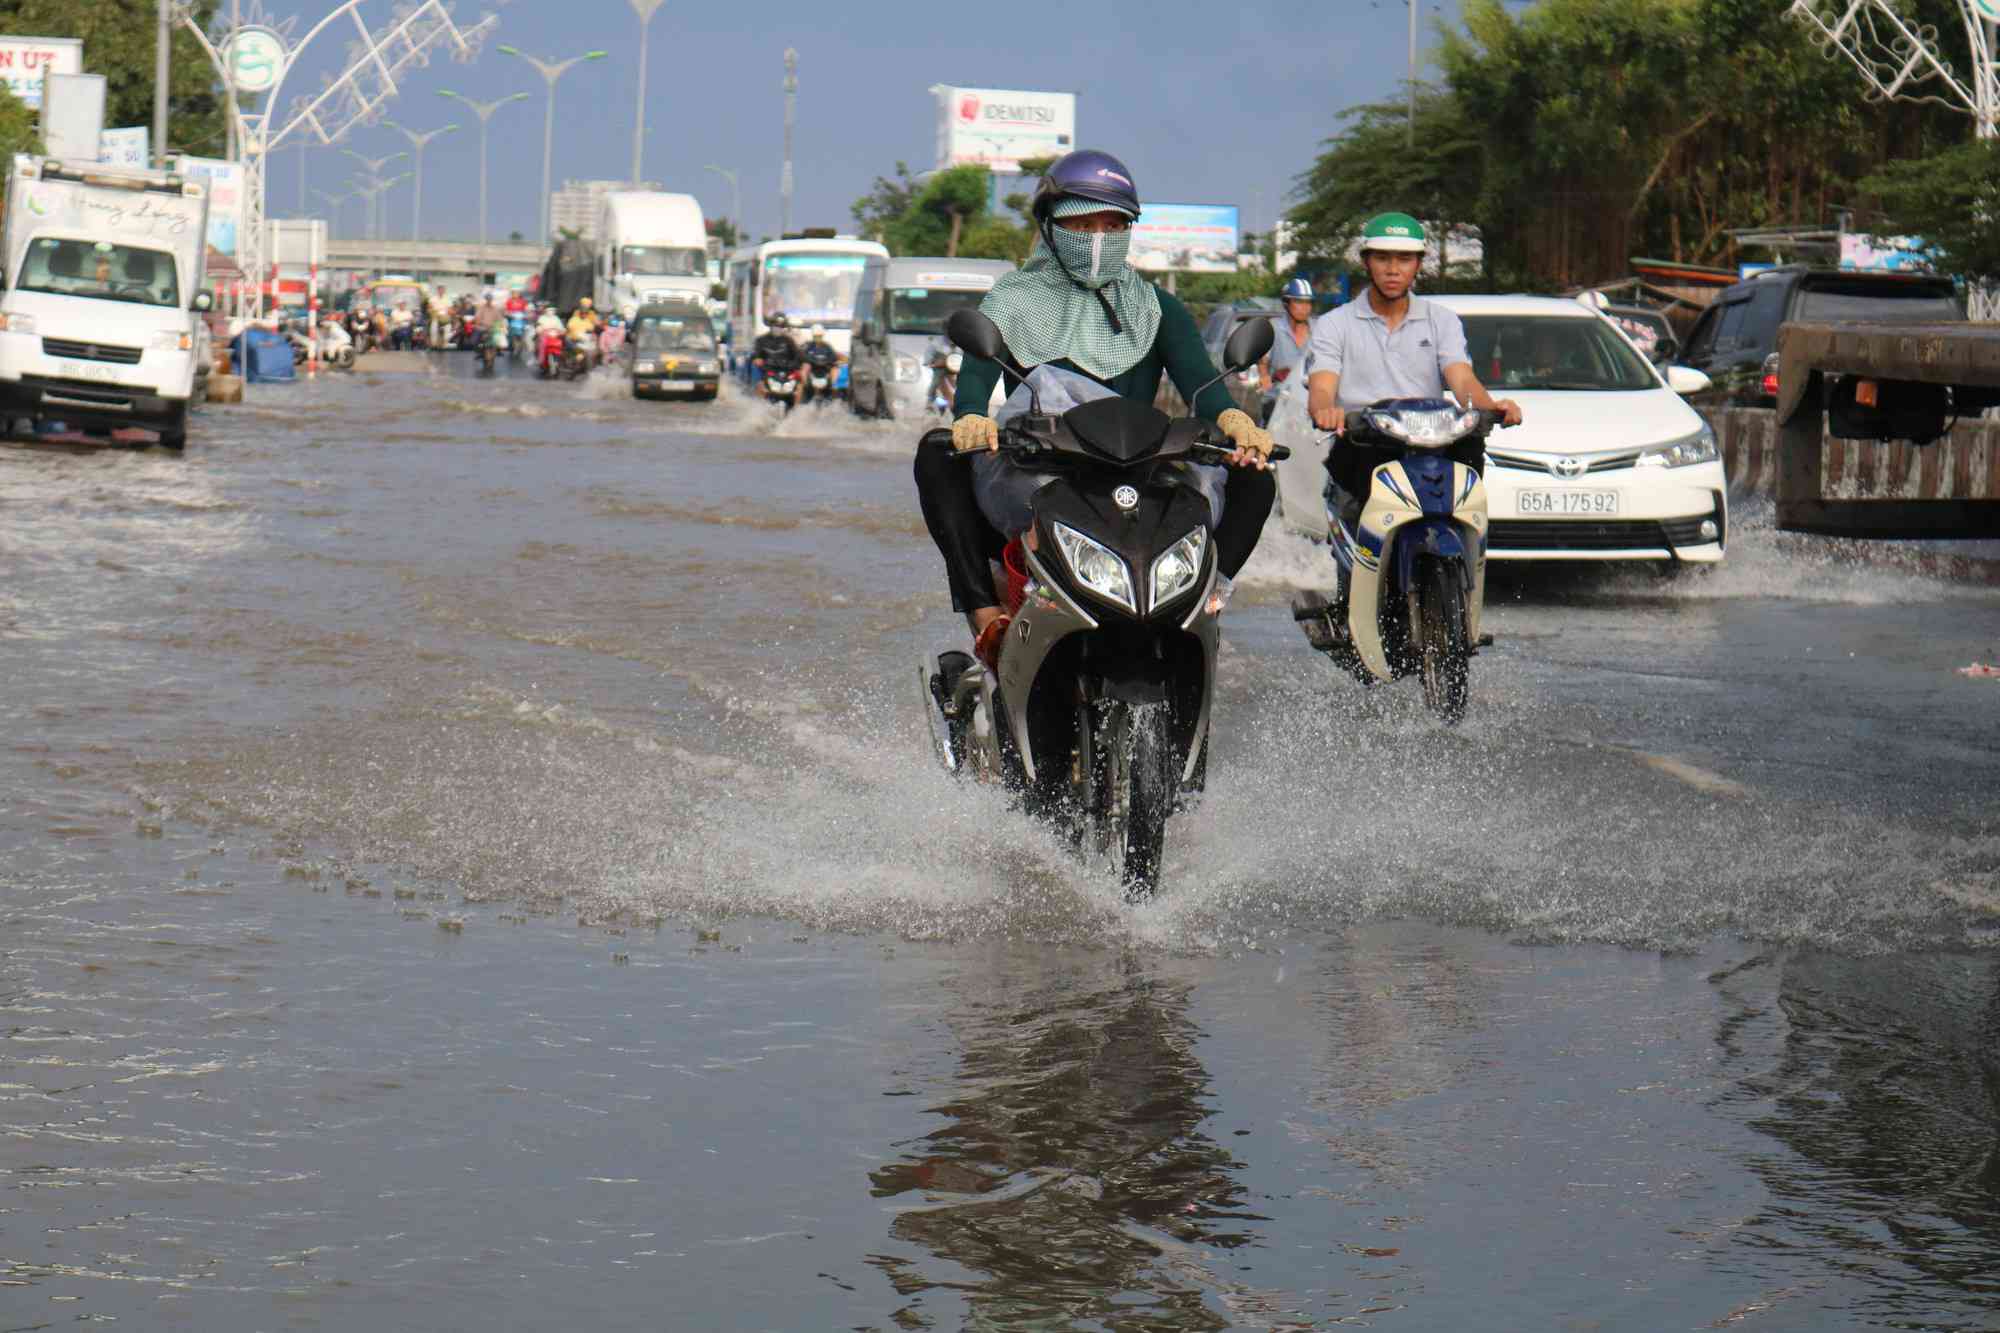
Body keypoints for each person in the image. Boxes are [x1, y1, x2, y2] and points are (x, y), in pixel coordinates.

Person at [917, 149, 1275, 671]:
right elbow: (977, 372)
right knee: (936, 455)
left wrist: (1237, 423)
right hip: (1040, 466)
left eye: (1113, 223)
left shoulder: (1157, 307)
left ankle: (1205, 602)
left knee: (1257, 479)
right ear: (1051, 226)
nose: (1099, 236)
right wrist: (970, 414)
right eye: (1083, 223)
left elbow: (1203, 385)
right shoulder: (1013, 299)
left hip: (1141, 467)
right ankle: (987, 617)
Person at [1257, 277, 1315, 424]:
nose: (1305, 307)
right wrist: (1265, 377)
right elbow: (1263, 361)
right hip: (1278, 399)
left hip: (1310, 402)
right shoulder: (1274, 328)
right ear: (1286, 304)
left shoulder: (1319, 330)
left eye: (1308, 302)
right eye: (1299, 302)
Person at [751, 314, 800, 380]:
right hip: (766, 370)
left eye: (780, 326)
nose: (777, 328)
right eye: (775, 325)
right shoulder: (761, 340)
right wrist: (758, 360)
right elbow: (756, 355)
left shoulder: (789, 340)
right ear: (771, 326)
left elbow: (797, 355)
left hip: (785, 370)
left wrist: (793, 364)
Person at [800, 323, 841, 402]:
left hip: (825, 370)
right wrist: (812, 361)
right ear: (813, 336)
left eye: (820, 336)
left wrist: (827, 361)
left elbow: (834, 357)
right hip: (812, 370)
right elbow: (803, 355)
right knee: (805, 366)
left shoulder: (827, 346)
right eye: (816, 336)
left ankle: (833, 386)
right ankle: (805, 386)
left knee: (835, 368)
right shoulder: (808, 346)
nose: (818, 338)